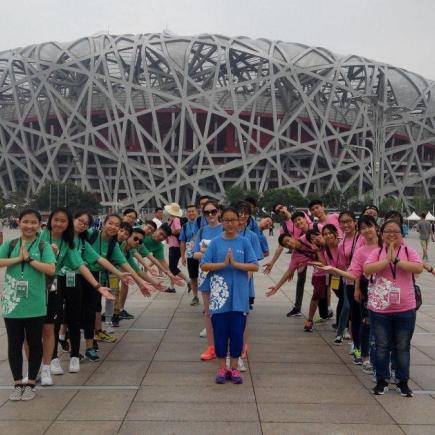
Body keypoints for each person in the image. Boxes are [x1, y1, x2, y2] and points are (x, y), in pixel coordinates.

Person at [0, 209, 56, 401]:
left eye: (33, 222)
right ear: (19, 222)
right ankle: (17, 383)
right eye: (26, 222)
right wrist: (18, 258)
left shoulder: (43, 245)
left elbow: (50, 268)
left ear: (40, 224)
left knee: (34, 342)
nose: (29, 226)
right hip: (12, 303)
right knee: (14, 344)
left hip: (35, 302)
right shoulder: (10, 244)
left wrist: (30, 259)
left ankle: (31, 382)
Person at [364, 219, 423, 397]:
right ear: (381, 235)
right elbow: (367, 269)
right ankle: (382, 381)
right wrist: (386, 260)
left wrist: (396, 260)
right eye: (387, 231)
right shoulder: (376, 252)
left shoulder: (408, 251)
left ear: (402, 234)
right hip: (381, 309)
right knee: (381, 346)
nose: (391, 234)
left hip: (405, 308)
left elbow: (418, 268)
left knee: (402, 346)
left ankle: (402, 381)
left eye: (395, 231)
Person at [200, 207, 258, 384]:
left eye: (233, 220)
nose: (230, 223)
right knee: (220, 334)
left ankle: (234, 368)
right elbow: (204, 265)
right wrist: (224, 264)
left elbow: (254, 266)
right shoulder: (216, 243)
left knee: (237, 334)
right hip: (219, 298)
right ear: (222, 221)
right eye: (226, 220)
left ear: (239, 221)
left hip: (239, 297)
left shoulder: (244, 242)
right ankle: (221, 368)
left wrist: (236, 264)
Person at [264, 204, 310, 317]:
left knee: (323, 279)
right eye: (277, 211)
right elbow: (281, 245)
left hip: (310, 244)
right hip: (299, 252)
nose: (280, 210)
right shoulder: (284, 226)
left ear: (285, 207)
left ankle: (327, 307)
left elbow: (309, 227)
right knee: (300, 279)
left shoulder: (300, 216)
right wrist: (272, 263)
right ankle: (297, 307)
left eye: (280, 208)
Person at [193, 200, 224, 361]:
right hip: (205, 275)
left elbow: (228, 251)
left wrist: (206, 251)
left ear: (219, 212)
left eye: (213, 211)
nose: (210, 215)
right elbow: (194, 254)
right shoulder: (202, 231)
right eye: (207, 212)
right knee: (208, 312)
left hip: (223, 276)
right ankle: (211, 347)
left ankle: (226, 347)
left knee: (224, 312)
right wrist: (210, 251)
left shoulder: (225, 228)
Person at [164, 203, 189, 293]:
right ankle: (171, 286)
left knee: (173, 268)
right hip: (172, 246)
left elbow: (179, 230)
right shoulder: (171, 220)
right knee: (171, 267)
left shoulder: (176, 219)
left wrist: (170, 233)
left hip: (176, 247)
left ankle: (188, 281)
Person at [180, 205, 201, 306]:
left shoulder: (201, 223)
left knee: (206, 274)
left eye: (193, 211)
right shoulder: (185, 226)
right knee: (193, 276)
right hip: (190, 252)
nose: (191, 213)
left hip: (202, 252)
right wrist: (183, 256)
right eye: (189, 212)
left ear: (197, 212)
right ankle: (195, 296)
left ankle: (209, 296)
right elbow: (183, 241)